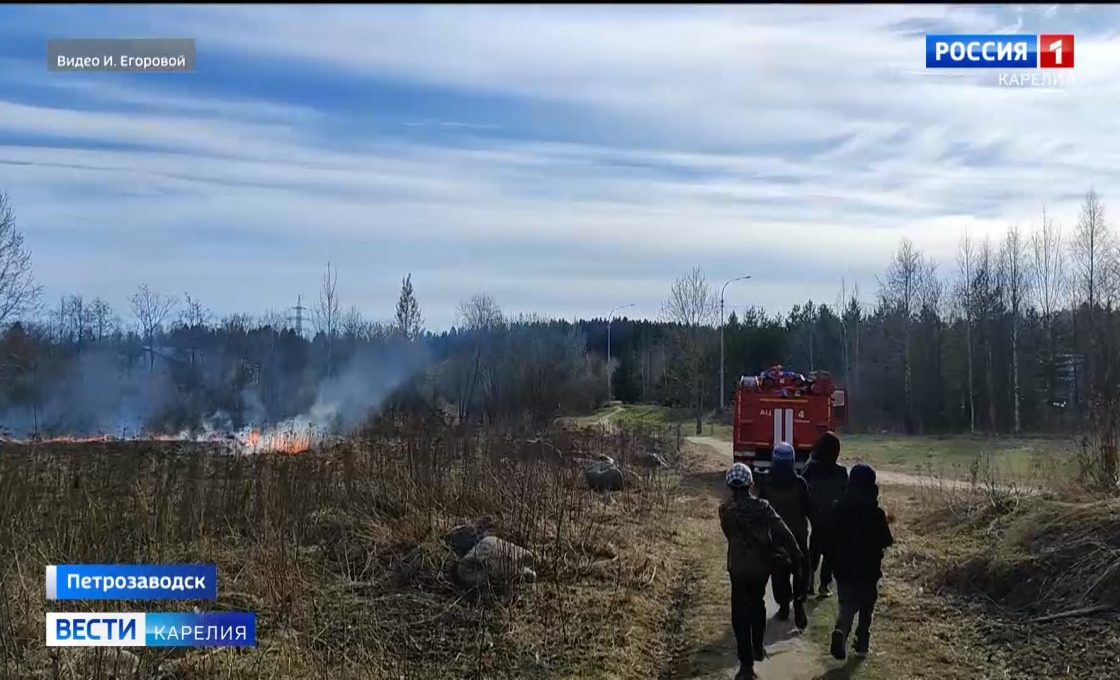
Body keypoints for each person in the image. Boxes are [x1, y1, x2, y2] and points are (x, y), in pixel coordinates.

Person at [719, 462, 804, 680]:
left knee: (739, 612)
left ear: (729, 485)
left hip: (737, 568)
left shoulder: (725, 509)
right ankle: (758, 645)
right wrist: (796, 553)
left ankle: (745, 664)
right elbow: (782, 531)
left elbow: (729, 534)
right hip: (760, 567)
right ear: (751, 483)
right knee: (757, 603)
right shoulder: (764, 507)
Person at [829, 463, 894, 660]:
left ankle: (841, 630)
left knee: (846, 604)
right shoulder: (877, 514)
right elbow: (886, 541)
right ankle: (862, 644)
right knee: (867, 607)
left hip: (844, 568)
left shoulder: (839, 507)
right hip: (869, 569)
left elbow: (831, 537)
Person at [758, 441, 810, 629]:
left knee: (779, 573)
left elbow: (762, 509)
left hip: (776, 536)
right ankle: (799, 599)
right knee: (802, 568)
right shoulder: (800, 483)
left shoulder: (767, 483)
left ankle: (783, 606)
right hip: (798, 533)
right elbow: (807, 507)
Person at [801, 431, 848, 598]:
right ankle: (824, 585)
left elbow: (802, 489)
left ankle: (808, 581)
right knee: (831, 553)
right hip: (833, 517)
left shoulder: (810, 468)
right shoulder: (841, 471)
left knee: (814, 547)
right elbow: (845, 494)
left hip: (815, 516)